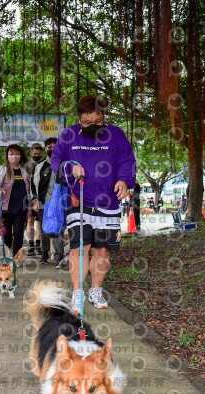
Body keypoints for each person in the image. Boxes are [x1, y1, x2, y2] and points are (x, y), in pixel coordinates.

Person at [51, 94, 136, 312]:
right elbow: (56, 161)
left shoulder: (115, 134)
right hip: (79, 199)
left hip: (108, 201)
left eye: (97, 122)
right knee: (80, 247)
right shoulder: (69, 135)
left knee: (102, 251)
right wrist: (70, 168)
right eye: (87, 122)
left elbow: (127, 159)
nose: (93, 126)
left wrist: (123, 180)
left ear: (104, 117)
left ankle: (96, 291)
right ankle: (77, 293)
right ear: (79, 119)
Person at [0, 144, 32, 257]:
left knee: (19, 233)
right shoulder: (3, 169)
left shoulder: (25, 171)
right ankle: (10, 246)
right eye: (11, 154)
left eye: (16, 154)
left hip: (21, 207)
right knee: (6, 233)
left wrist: (30, 206)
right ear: (7, 156)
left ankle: (15, 257)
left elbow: (29, 190)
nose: (14, 156)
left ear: (21, 155)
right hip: (5, 207)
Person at [31, 137, 65, 267]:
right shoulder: (39, 166)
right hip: (43, 203)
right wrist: (35, 201)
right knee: (44, 230)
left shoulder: (63, 165)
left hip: (59, 204)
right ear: (45, 149)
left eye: (55, 147)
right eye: (49, 147)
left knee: (59, 229)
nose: (52, 150)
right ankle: (44, 255)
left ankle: (59, 257)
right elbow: (33, 185)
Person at [26, 143, 44, 255]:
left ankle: (38, 244)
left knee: (39, 222)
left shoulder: (44, 163)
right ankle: (31, 244)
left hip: (40, 196)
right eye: (35, 153)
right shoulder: (25, 164)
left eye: (39, 153)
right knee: (30, 220)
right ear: (31, 152)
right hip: (28, 196)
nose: (37, 155)